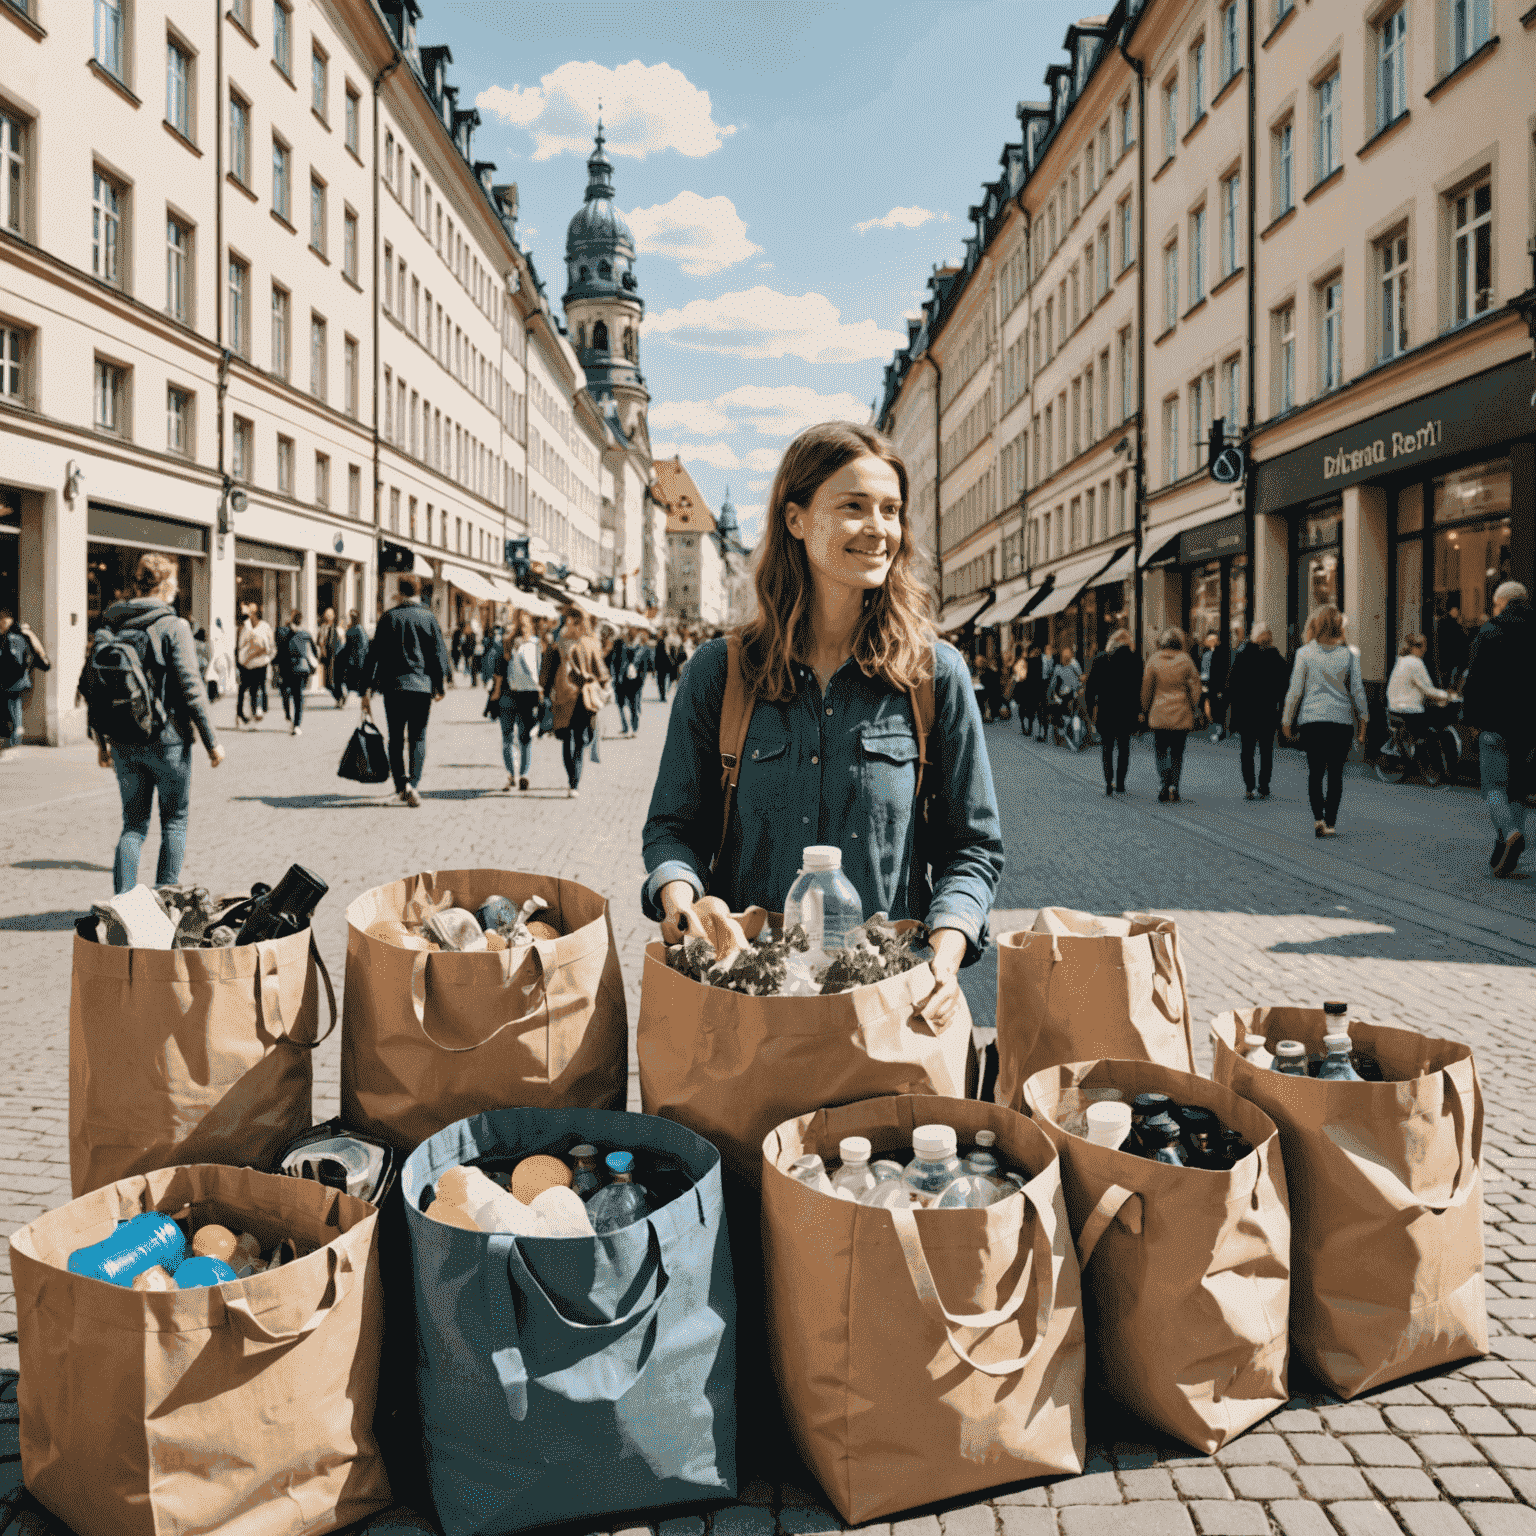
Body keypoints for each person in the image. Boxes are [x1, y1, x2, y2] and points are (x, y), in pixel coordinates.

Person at [642, 420, 1004, 1028]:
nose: (879, 529)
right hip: (747, 1008)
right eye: (854, 507)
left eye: (891, 510)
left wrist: (946, 952)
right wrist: (681, 897)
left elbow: (973, 847)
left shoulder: (933, 675)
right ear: (796, 519)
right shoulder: (719, 673)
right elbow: (672, 830)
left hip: (889, 1004)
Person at [89, 553, 225, 892]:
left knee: (132, 826)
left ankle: (125, 905)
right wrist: (212, 742)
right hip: (169, 741)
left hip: (123, 740)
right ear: (165, 585)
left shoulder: (112, 625)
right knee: (175, 822)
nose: (177, 589)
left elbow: (97, 688)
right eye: (175, 583)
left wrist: (102, 743)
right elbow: (192, 690)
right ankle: (166, 900)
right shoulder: (173, 626)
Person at [1461, 581, 1533, 878]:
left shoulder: (1489, 632)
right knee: (1518, 790)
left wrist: (1471, 720)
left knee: (1493, 788)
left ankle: (1510, 833)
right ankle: (1507, 854)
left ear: (1502, 603)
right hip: (1528, 727)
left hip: (1493, 723)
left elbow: (1474, 679)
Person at [358, 576, 450, 808]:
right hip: (421, 686)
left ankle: (401, 786)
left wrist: (365, 688)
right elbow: (438, 653)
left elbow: (373, 654)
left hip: (394, 687)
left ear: (399, 591)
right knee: (418, 735)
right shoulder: (428, 617)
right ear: (419, 591)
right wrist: (440, 685)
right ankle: (414, 784)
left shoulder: (388, 617)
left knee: (396, 738)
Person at [1281, 604, 1369, 838]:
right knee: (1336, 773)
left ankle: (1318, 818)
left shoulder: (1305, 653)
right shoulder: (1349, 655)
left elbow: (1295, 690)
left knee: (1315, 771)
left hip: (1313, 721)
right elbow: (1357, 690)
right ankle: (1330, 822)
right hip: (1341, 722)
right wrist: (1364, 719)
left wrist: (1286, 719)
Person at [541, 605, 608, 798]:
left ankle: (574, 781)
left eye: (574, 621)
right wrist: (544, 691)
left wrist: (603, 686)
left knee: (579, 739)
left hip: (584, 698)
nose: (571, 624)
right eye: (569, 620)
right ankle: (573, 778)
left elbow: (599, 669)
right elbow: (548, 669)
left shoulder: (589, 643)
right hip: (565, 697)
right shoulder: (559, 644)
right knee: (568, 738)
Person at [1225, 622, 1289, 799]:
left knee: (1250, 750)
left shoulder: (1244, 655)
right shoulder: (1271, 656)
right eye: (1267, 633)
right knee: (1264, 750)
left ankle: (1251, 786)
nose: (1270, 636)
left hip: (1249, 712)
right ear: (1260, 636)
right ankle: (1261, 785)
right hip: (1266, 711)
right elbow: (1284, 684)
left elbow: (1232, 684)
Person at [1140, 627, 1203, 803]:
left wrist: (1144, 709)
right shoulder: (1186, 660)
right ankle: (1174, 786)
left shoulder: (1154, 660)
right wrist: (1193, 705)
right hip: (1181, 713)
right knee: (1177, 752)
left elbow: (1147, 688)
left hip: (1159, 713)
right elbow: (1195, 687)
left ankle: (1163, 783)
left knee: (1160, 750)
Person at [489, 609, 543, 792]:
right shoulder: (536, 643)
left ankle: (512, 774)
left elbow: (497, 670)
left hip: (506, 694)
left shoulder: (506, 642)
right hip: (528, 694)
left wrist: (495, 693)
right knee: (525, 737)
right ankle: (525, 773)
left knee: (507, 737)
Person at [1085, 629, 1141, 794]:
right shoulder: (1135, 660)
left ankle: (1108, 782)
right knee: (1124, 748)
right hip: (1126, 711)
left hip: (1106, 711)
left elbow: (1090, 689)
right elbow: (1139, 688)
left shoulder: (1100, 659)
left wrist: (1090, 711)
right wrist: (1139, 710)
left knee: (1107, 747)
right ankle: (1121, 783)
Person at [1386, 634, 1452, 748]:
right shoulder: (1415, 662)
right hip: (1409, 712)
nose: (1425, 650)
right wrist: (1448, 696)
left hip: (1393, 709)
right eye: (1425, 646)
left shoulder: (1401, 660)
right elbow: (1428, 690)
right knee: (1434, 735)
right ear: (1421, 647)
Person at [0, 608, 49, 758]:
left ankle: (14, 736)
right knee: (14, 706)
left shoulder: (11, 637)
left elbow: (12, 660)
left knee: (12, 706)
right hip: (22, 680)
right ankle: (15, 733)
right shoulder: (21, 634)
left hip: (11, 681)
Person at [280, 608, 320, 735]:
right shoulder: (298, 633)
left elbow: (314, 649)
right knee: (295, 695)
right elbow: (315, 650)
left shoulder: (294, 632)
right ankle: (295, 722)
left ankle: (293, 720)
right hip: (295, 668)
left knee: (292, 694)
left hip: (294, 668)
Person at [235, 602, 275, 727]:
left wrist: (265, 653)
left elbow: (270, 645)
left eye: (251, 613)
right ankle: (249, 713)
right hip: (247, 663)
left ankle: (259, 710)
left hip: (261, 662)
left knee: (260, 687)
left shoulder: (265, 626)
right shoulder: (245, 627)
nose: (248, 616)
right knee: (249, 689)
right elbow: (240, 644)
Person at [1047, 643, 1083, 742]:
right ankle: (1061, 727)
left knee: (1080, 711)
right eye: (1065, 655)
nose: (1067, 657)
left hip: (1075, 692)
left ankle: (1087, 732)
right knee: (1061, 708)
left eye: (1068, 655)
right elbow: (1053, 683)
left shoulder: (1073, 664)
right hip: (1065, 693)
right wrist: (1051, 694)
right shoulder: (1059, 668)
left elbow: (1080, 676)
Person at [1198, 629, 1230, 740]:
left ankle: (1218, 729)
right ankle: (1213, 727)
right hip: (1208, 682)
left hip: (1215, 684)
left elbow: (1221, 671)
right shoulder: (1206, 654)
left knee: (1216, 708)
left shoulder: (1219, 654)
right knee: (1209, 705)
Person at [316, 607, 345, 704]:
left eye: (330, 615)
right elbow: (319, 641)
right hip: (326, 657)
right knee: (326, 683)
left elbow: (341, 643)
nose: (328, 617)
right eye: (327, 615)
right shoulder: (323, 627)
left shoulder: (337, 628)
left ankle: (339, 697)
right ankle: (339, 697)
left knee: (334, 680)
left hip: (335, 657)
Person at [1436, 605, 1470, 685]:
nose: (1456, 613)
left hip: (1445, 652)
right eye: (1455, 611)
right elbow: (1461, 637)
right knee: (1450, 672)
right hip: (1451, 652)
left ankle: (1446, 688)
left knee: (1446, 673)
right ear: (1450, 611)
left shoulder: (1442, 622)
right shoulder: (1454, 624)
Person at [339, 609, 369, 698]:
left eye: (351, 617)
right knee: (348, 681)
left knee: (353, 682)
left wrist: (360, 662)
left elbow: (362, 647)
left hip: (355, 661)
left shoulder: (358, 629)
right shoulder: (353, 629)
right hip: (350, 659)